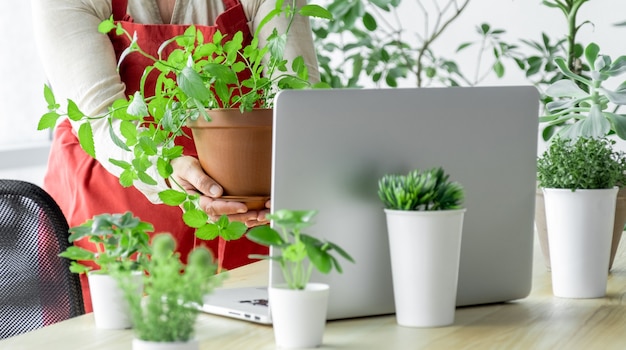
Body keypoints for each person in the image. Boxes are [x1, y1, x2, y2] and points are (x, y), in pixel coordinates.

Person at [31, 0, 321, 312]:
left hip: (235, 208)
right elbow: (103, 118)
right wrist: (169, 170)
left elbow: (294, 95)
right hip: (111, 208)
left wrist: (288, 175)